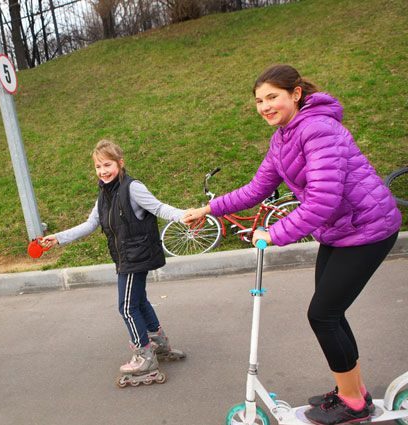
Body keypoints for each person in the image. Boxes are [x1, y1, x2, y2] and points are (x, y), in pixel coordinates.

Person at [183, 64, 401, 425]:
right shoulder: (283, 137)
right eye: (259, 100)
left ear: (295, 94)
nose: (265, 106)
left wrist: (275, 233)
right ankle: (353, 390)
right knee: (330, 313)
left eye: (272, 97)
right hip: (340, 231)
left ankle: (353, 403)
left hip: (368, 228)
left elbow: (323, 200)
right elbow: (256, 189)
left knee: (323, 314)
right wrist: (208, 209)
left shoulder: (317, 129)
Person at [40, 140, 185, 382]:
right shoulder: (105, 194)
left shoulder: (133, 188)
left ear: (120, 163)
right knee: (138, 301)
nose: (103, 171)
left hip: (134, 257)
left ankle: (144, 355)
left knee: (127, 307)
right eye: (98, 167)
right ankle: (158, 344)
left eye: (107, 164)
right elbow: (90, 224)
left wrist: (185, 216)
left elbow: (159, 208)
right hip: (126, 257)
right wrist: (58, 238)